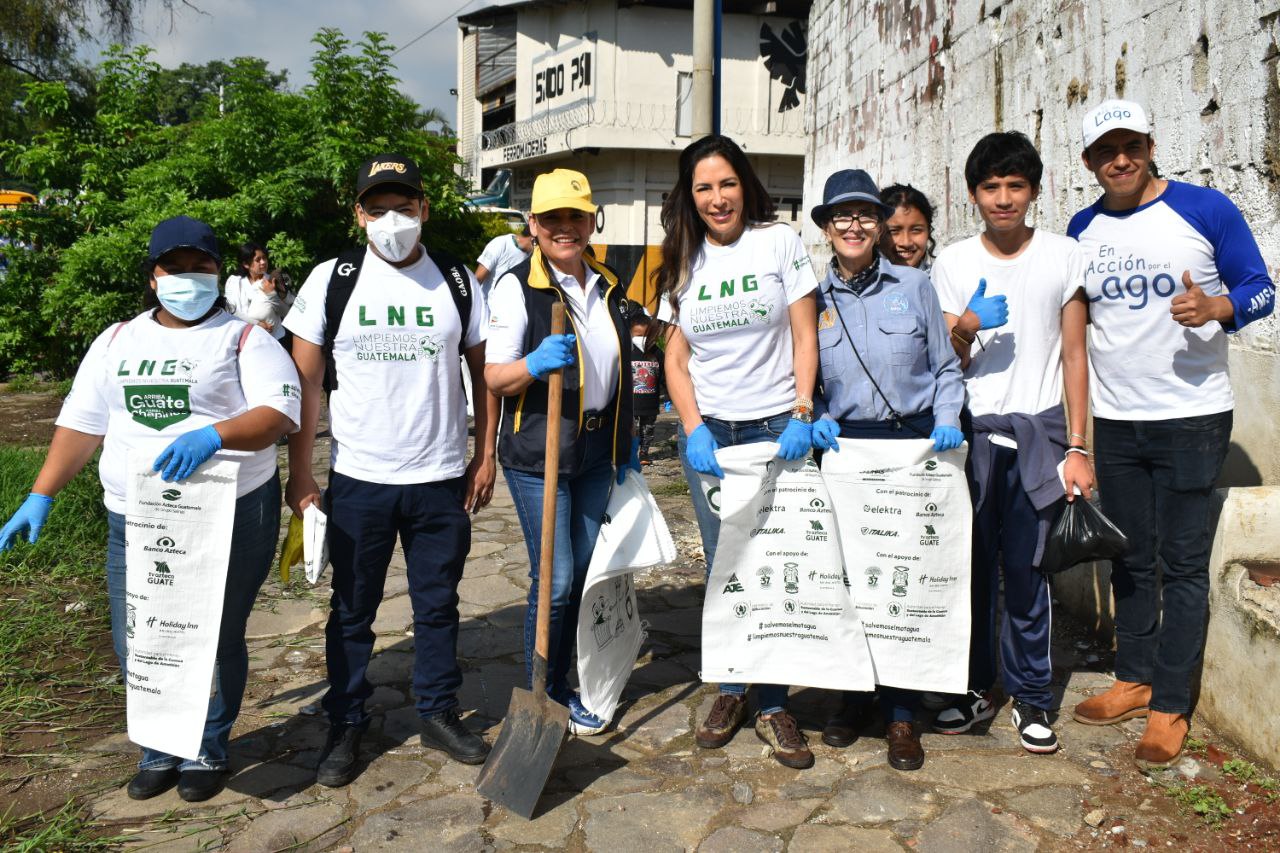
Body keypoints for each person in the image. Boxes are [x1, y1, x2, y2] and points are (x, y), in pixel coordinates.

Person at [0, 216, 300, 802]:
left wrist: (214, 435)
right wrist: (42, 493)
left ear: (219, 273)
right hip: (135, 517)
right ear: (152, 276)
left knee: (213, 636)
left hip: (229, 513)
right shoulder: (117, 341)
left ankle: (208, 748)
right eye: (174, 268)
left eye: (201, 267)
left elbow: (279, 415)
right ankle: (159, 747)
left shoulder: (244, 338)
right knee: (137, 636)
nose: (188, 277)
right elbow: (82, 424)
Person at [1067, 100, 1275, 768]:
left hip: (1191, 415)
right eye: (1106, 150)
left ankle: (1169, 704)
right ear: (1089, 162)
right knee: (1127, 553)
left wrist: (1220, 306)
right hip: (1118, 418)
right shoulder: (1082, 228)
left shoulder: (1206, 209)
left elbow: (1263, 288)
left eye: (1131, 145)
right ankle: (1134, 676)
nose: (1120, 159)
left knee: (1183, 564)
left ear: (1151, 145)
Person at [283, 153, 497, 786]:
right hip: (360, 479)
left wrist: (483, 456)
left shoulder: (458, 281)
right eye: (378, 209)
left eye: (404, 208)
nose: (392, 220)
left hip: (439, 479)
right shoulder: (333, 280)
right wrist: (302, 472)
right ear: (359, 215)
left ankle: (436, 710)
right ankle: (347, 719)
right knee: (352, 611)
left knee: (438, 606)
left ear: (425, 210)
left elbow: (483, 375)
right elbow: (304, 382)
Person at [929, 131, 1094, 755]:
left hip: (1039, 437)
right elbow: (943, 358)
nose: (1004, 199)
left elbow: (1076, 356)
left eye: (1015, 186)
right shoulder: (951, 262)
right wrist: (967, 325)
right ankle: (972, 689)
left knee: (1029, 574)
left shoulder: (1063, 255)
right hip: (971, 438)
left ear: (1034, 190)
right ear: (973, 194)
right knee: (968, 574)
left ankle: (1032, 695)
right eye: (991, 187)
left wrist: (1079, 446)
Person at [658, 135, 820, 769]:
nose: (716, 198)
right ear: (690, 196)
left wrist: (803, 410)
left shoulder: (778, 242)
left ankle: (775, 703)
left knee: (774, 564)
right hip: (711, 436)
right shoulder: (680, 259)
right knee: (724, 567)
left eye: (726, 184)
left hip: (776, 428)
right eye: (703, 187)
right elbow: (676, 356)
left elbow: (805, 335)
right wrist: (693, 425)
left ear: (744, 185)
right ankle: (729, 688)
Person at [807, 169, 965, 771]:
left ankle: (901, 713)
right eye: (841, 216)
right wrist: (816, 413)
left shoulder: (915, 286)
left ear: (878, 225)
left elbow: (946, 368)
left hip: (914, 448)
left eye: (865, 215)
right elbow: (804, 375)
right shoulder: (812, 298)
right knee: (849, 579)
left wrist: (946, 418)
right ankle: (850, 699)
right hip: (846, 452)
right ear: (826, 227)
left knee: (906, 580)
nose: (854, 226)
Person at [485, 168, 639, 736]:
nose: (565, 228)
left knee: (582, 576)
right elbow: (496, 378)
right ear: (534, 225)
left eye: (575, 216)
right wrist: (530, 365)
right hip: (537, 452)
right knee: (553, 579)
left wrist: (628, 440)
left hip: (597, 448)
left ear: (591, 220)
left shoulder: (606, 281)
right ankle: (541, 691)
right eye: (552, 219)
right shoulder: (516, 286)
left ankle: (566, 681)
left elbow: (621, 368)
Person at [626, 300, 664, 464]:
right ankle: (630, 453)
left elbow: (664, 374)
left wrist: (667, 394)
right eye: (638, 336)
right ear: (630, 335)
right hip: (631, 402)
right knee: (631, 429)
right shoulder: (627, 351)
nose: (642, 340)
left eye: (646, 336)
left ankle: (644, 453)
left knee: (648, 429)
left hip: (650, 402)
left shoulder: (656, 352)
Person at [224, 242, 287, 340]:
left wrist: (271, 295)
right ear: (246, 264)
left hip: (275, 339)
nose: (263, 262)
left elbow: (286, 312)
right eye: (258, 260)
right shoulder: (234, 282)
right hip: (244, 339)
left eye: (264, 258)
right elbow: (230, 309)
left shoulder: (273, 280)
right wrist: (257, 324)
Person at [879, 184, 938, 272]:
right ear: (877, 232)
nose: (906, 243)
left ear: (928, 230)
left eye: (916, 230)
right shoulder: (861, 283)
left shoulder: (939, 281)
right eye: (893, 231)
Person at [474, 221, 534, 299]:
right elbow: (477, 279)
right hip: (488, 307)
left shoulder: (532, 255)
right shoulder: (500, 244)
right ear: (533, 239)